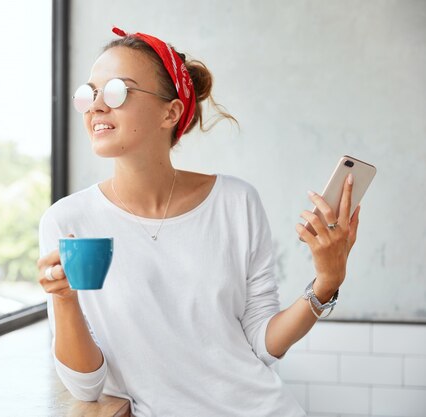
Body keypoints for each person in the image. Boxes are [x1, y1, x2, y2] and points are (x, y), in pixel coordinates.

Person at [37, 26, 360, 417]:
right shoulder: (67, 221)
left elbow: (263, 343)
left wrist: (327, 281)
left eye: (116, 92)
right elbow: (85, 385)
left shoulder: (236, 201)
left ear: (169, 112)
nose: (96, 107)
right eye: (89, 94)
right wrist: (64, 300)